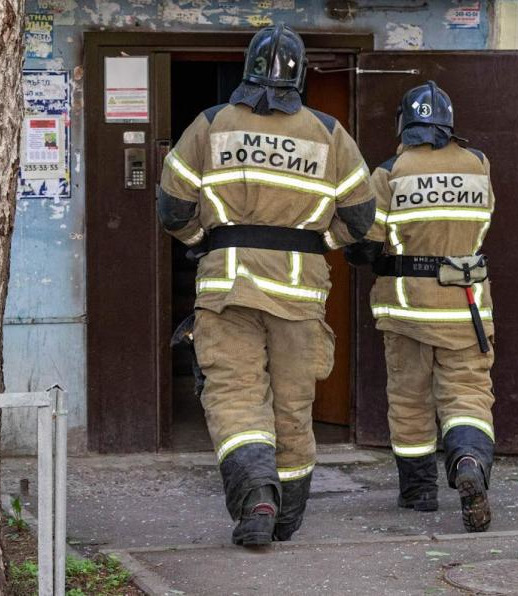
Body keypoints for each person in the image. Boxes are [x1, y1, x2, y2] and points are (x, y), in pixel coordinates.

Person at [157, 24, 375, 547]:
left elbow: (173, 207)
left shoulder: (210, 124)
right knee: (293, 407)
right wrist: (318, 242)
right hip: (299, 296)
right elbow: (361, 215)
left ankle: (256, 495)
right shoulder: (328, 133)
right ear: (300, 74)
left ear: (248, 66)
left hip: (227, 287)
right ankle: (286, 517)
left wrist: (201, 239)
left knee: (235, 397)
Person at [346, 81, 496, 533]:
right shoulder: (478, 165)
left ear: (404, 124)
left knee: (410, 401)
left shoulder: (389, 172)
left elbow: (366, 244)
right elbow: (483, 223)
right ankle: (468, 462)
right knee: (468, 396)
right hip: (466, 307)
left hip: (408, 311)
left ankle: (419, 493)